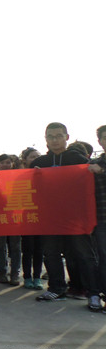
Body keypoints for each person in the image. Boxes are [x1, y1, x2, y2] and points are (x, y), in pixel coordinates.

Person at [31, 123, 101, 311]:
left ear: (67, 137)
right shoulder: (40, 163)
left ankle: (93, 293)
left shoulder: (79, 160)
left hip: (75, 218)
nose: (54, 140)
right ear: (45, 139)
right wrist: (33, 176)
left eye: (58, 136)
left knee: (84, 255)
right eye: (50, 136)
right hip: (49, 218)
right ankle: (57, 288)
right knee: (51, 253)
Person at [0, 154, 22, 286]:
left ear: (12, 164)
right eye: (2, 162)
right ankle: (2, 272)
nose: (5, 165)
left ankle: (15, 273)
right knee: (0, 246)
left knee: (15, 247)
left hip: (14, 217)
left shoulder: (18, 177)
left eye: (8, 162)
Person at [19, 147, 43, 290]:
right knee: (27, 249)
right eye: (32, 157)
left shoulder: (44, 174)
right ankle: (27, 277)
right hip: (26, 217)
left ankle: (37, 277)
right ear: (25, 160)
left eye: (38, 156)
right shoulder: (20, 175)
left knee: (39, 249)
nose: (36, 159)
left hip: (41, 216)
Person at [89, 125, 106, 313]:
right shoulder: (93, 164)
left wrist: (102, 172)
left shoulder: (98, 168)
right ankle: (98, 294)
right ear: (100, 141)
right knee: (102, 258)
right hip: (101, 219)